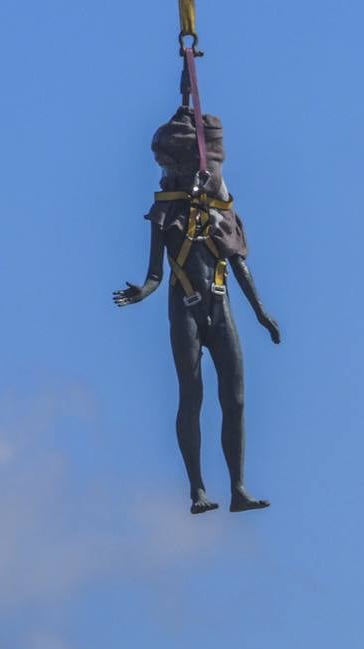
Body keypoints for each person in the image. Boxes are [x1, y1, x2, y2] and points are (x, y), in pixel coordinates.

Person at [113, 105, 281, 514]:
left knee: (236, 398)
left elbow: (239, 263)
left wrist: (262, 313)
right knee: (192, 394)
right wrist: (144, 291)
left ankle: (238, 487)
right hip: (185, 305)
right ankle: (198, 490)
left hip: (221, 305)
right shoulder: (164, 211)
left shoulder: (223, 212)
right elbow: (154, 273)